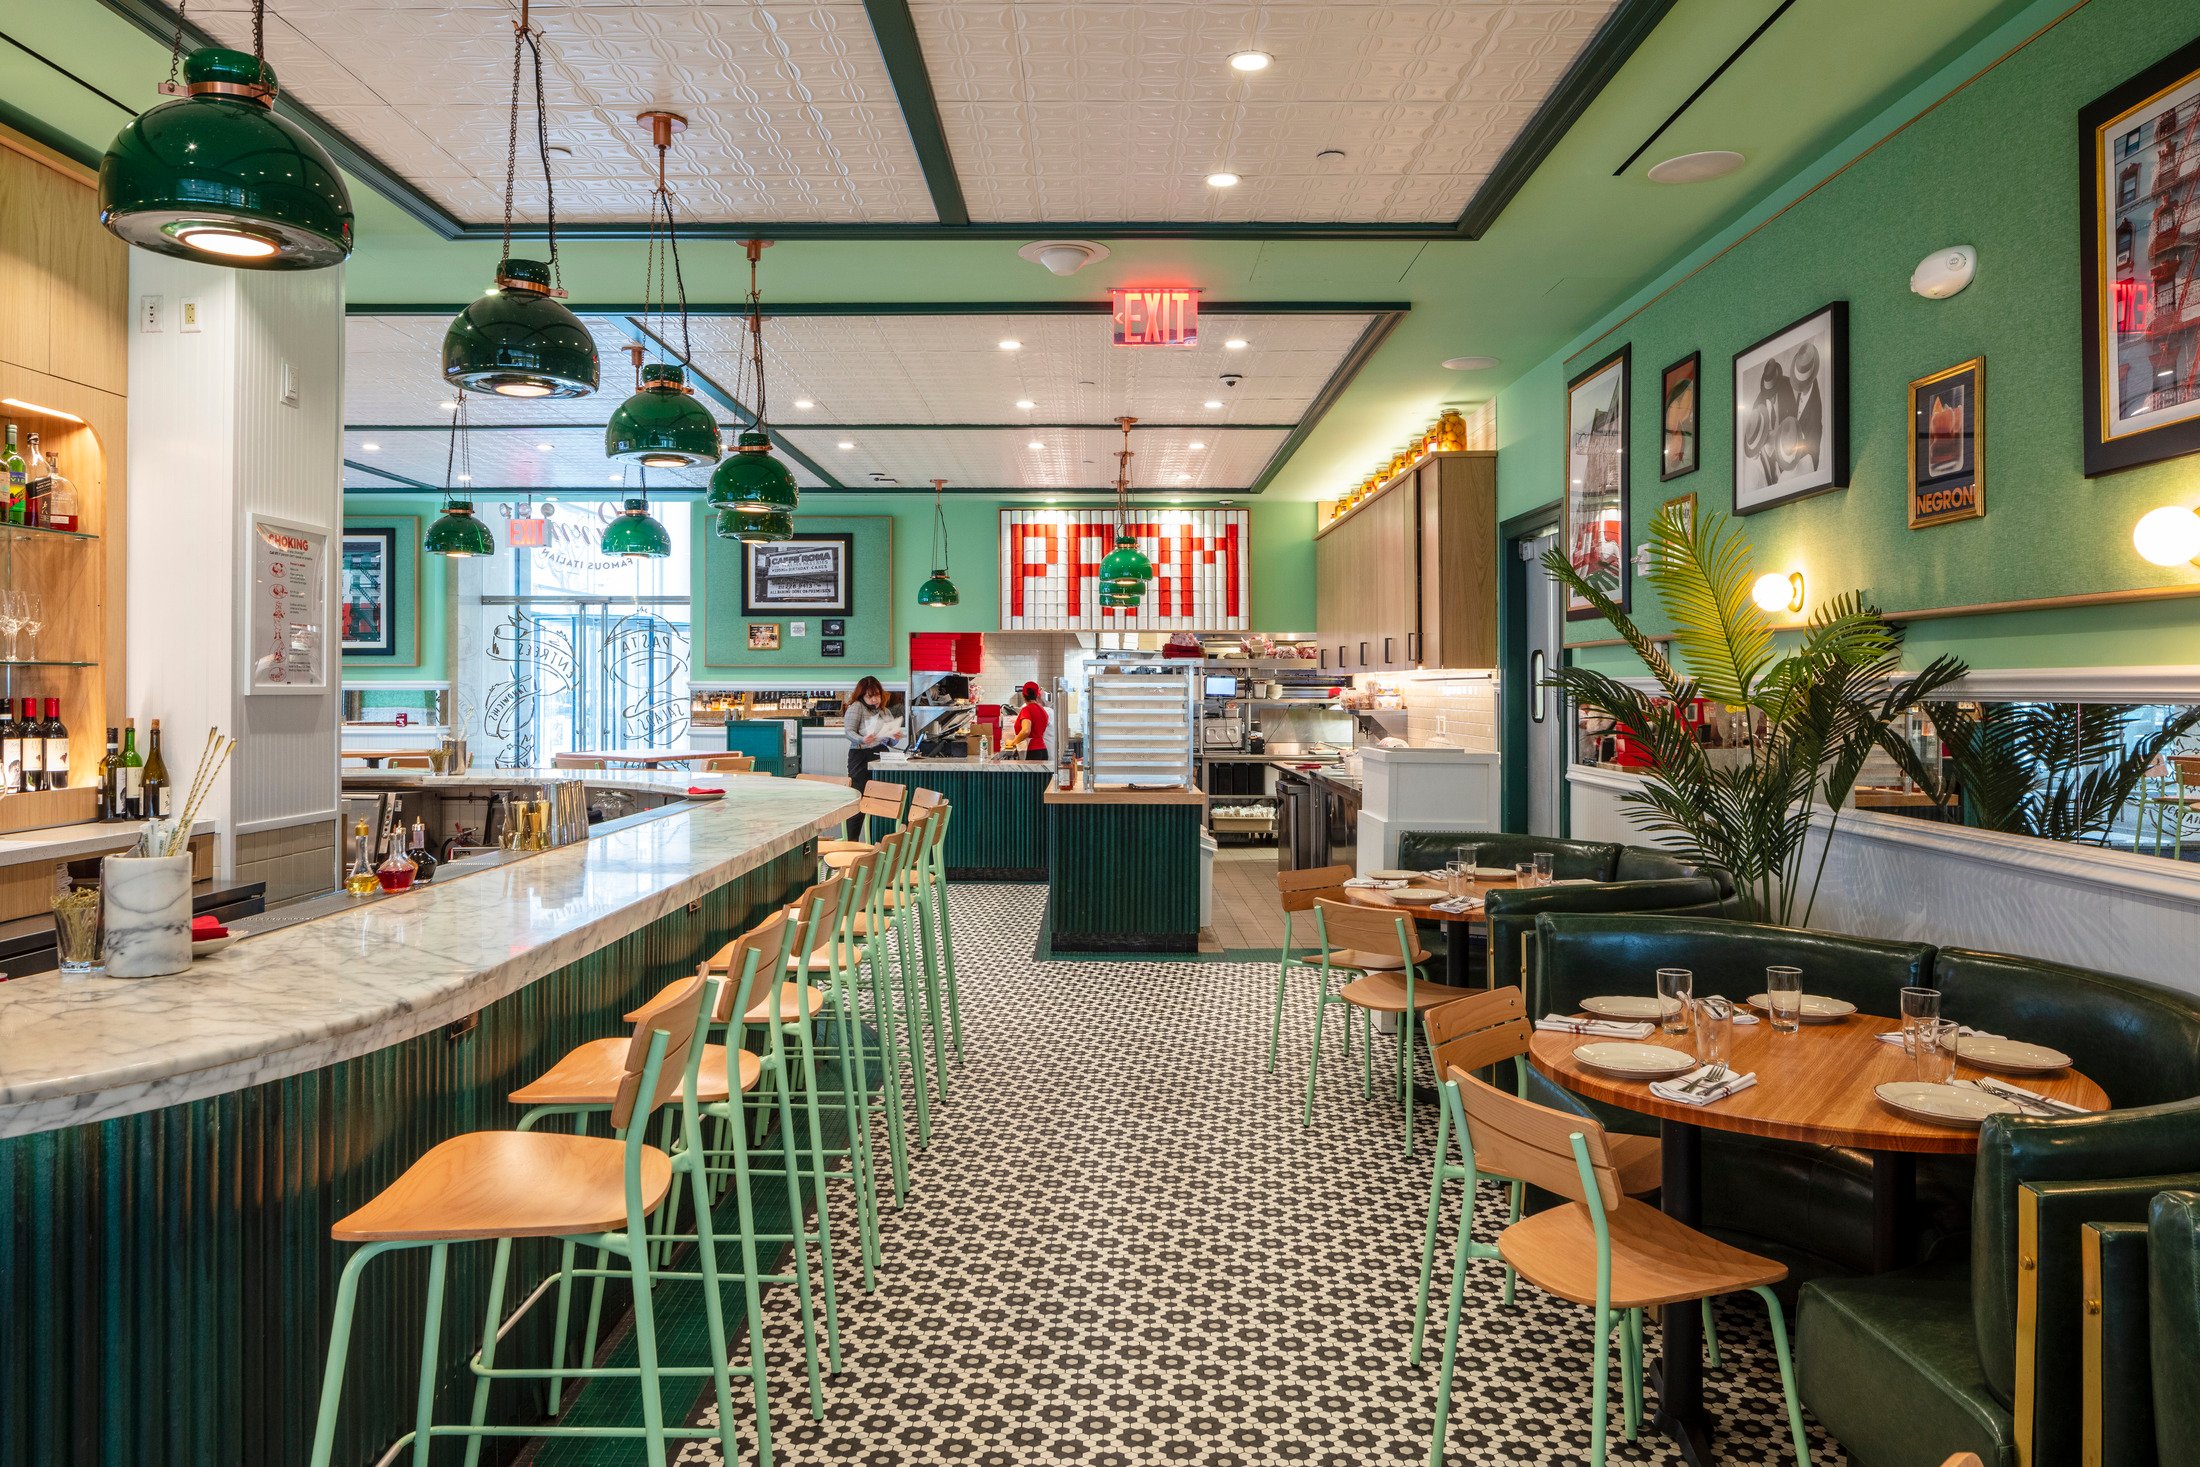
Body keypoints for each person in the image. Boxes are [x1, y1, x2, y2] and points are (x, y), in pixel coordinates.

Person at [843, 676, 899, 836]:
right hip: (861, 756)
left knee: (880, 800)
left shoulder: (885, 711)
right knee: (859, 799)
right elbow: (848, 732)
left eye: (877, 695)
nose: (874, 699)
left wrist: (893, 737)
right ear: (862, 696)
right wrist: (862, 738)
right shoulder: (857, 707)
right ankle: (851, 842)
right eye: (870, 696)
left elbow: (888, 742)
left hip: (881, 754)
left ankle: (878, 841)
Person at [1000, 681, 1050, 762]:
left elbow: (1026, 730)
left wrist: (1013, 742)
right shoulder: (1042, 710)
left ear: (1023, 695)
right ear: (1037, 694)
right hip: (1043, 751)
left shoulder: (1026, 710)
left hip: (1032, 751)